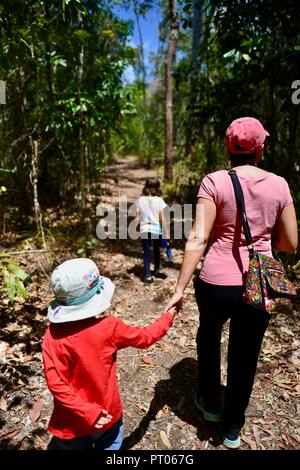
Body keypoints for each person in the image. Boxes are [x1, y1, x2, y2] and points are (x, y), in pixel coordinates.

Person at [164, 117, 298, 449]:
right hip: (260, 283)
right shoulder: (279, 185)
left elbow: (198, 236)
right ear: (260, 149)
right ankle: (233, 426)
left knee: (209, 333)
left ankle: (209, 403)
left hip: (215, 282)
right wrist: (265, 240)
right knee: (246, 351)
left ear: (228, 147)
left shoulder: (213, 182)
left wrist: (179, 288)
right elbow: (290, 244)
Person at [42, 257, 177, 450]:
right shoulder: (109, 327)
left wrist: (86, 411)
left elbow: (56, 384)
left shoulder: (51, 335)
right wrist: (168, 316)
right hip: (107, 414)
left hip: (70, 421)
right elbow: (146, 337)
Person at [135, 177, 169, 284]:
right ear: (158, 188)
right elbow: (162, 218)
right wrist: (166, 232)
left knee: (146, 252)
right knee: (156, 250)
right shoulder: (159, 201)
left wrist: (136, 227)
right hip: (156, 230)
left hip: (145, 229)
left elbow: (137, 217)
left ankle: (147, 275)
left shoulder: (140, 200)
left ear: (146, 187)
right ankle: (157, 269)